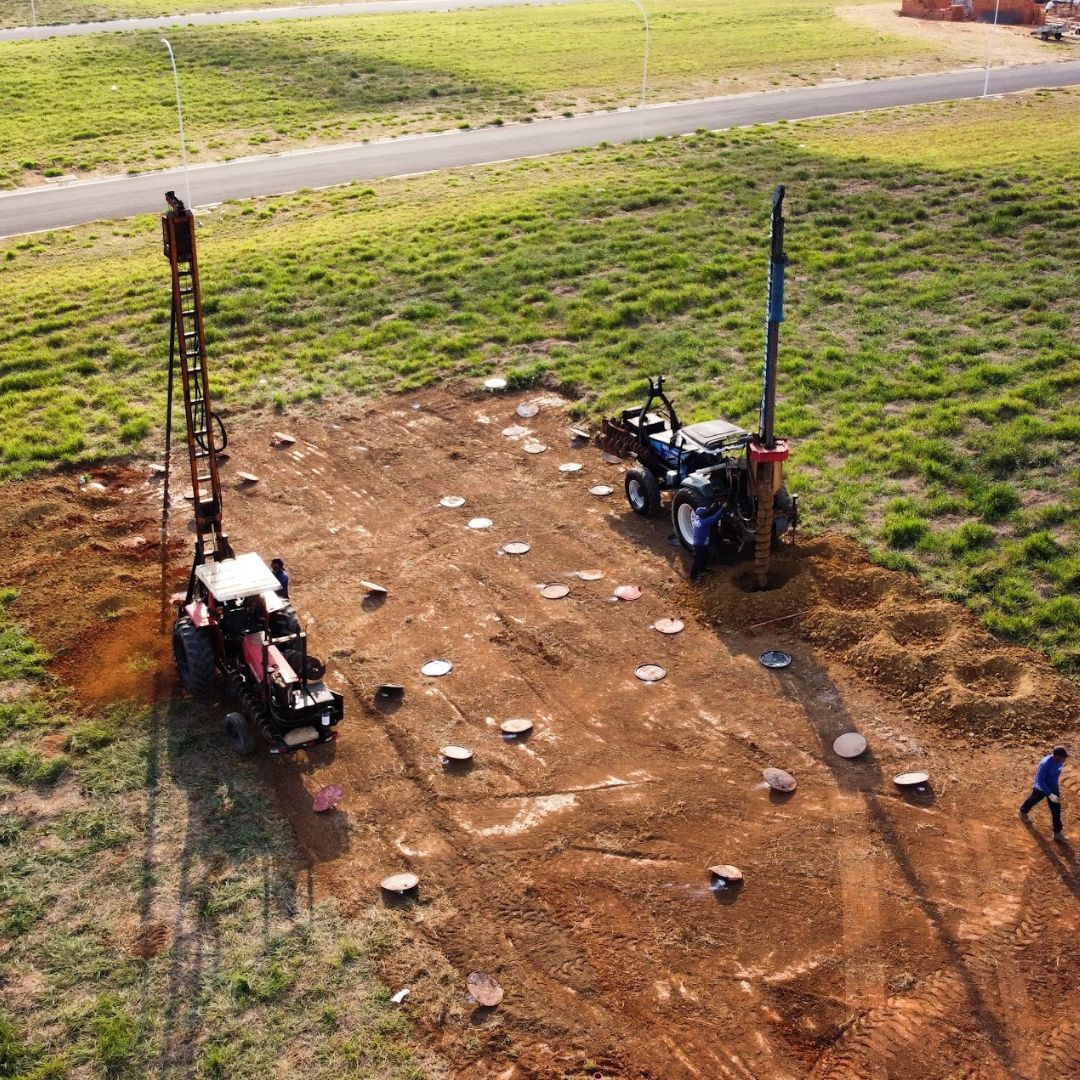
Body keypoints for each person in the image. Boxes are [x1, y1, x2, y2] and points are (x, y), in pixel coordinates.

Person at [1019, 745, 1069, 842]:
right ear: (1057, 756)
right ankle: (1022, 812)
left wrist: (1054, 790)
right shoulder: (1046, 764)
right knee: (1033, 800)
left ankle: (1057, 833)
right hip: (1041, 788)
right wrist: (1050, 794)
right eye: (1063, 757)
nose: (1065, 759)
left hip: (1053, 789)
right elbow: (1041, 781)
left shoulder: (1059, 761)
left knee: (1056, 811)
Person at [688, 502, 726, 582]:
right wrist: (723, 507)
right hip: (700, 546)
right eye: (705, 511)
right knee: (698, 561)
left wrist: (711, 507)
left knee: (705, 556)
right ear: (703, 515)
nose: (706, 512)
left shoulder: (697, 519)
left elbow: (706, 513)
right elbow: (716, 517)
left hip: (700, 544)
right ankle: (693, 577)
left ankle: (702, 570)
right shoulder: (705, 522)